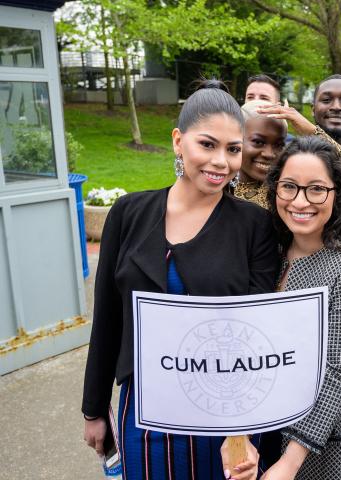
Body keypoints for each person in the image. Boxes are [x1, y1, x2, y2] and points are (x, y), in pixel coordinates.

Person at [82, 80, 281, 480]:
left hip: (225, 415)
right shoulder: (128, 213)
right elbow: (107, 317)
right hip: (144, 409)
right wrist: (94, 408)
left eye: (233, 149)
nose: (221, 162)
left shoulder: (254, 224)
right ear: (178, 141)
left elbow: (259, 330)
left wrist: (242, 429)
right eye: (207, 145)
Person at [261, 136, 341, 480]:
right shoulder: (269, 257)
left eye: (316, 189)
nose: (301, 201)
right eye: (289, 187)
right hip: (270, 430)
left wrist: (290, 461)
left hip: (328, 447)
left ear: (336, 195)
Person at [234, 101, 341, 208]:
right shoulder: (218, 187)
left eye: (279, 145)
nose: (269, 154)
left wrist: (311, 131)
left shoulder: (288, 192)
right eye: (258, 142)